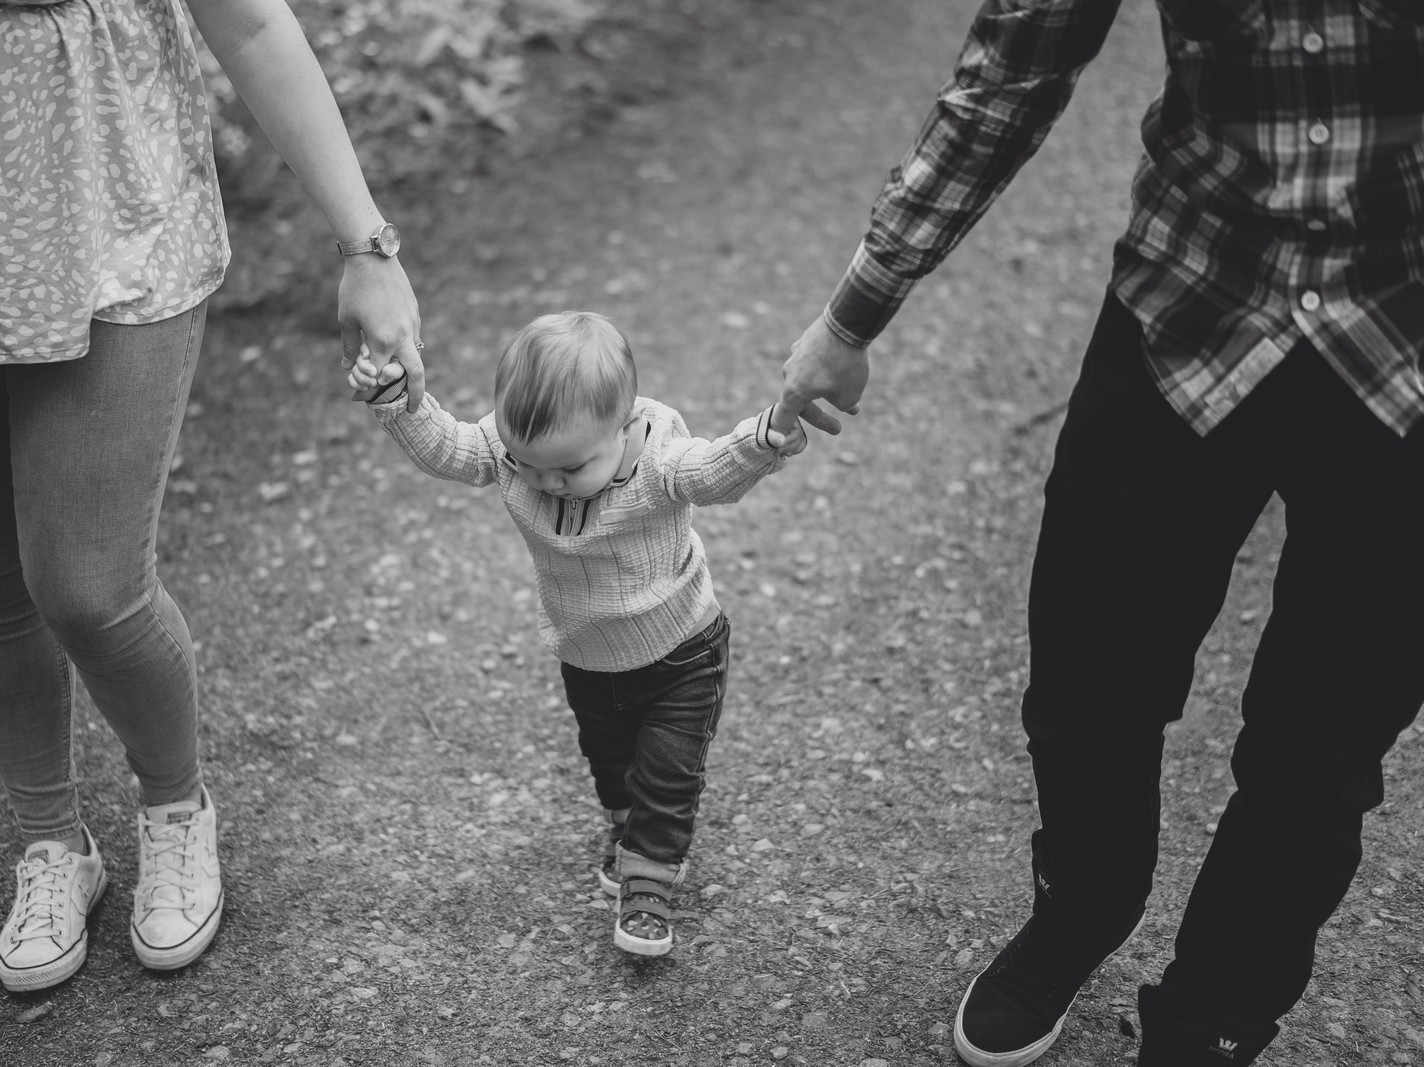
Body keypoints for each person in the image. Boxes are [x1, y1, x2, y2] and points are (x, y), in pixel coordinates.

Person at [774, 1, 1424, 1064]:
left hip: (1405, 341)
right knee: (1083, 680)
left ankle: (1212, 1011)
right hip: (1190, 299)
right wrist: (856, 309)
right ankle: (1083, 903)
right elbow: (1015, 61)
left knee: (1321, 750)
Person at [0, 0, 423, 992]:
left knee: (91, 584)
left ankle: (176, 808)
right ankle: (52, 841)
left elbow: (251, 25)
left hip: (113, 217)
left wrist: (367, 244)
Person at [349, 310, 806, 955]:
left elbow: (712, 472)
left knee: (667, 775)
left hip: (682, 651)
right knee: (611, 761)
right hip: (587, 656)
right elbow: (448, 449)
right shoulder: (515, 453)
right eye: (529, 465)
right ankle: (625, 828)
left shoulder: (659, 462)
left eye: (569, 469)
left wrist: (764, 440)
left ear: (622, 429)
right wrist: (396, 400)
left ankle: (648, 887)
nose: (546, 482)